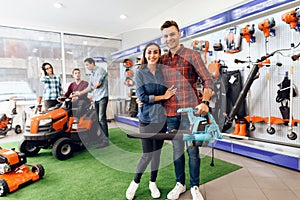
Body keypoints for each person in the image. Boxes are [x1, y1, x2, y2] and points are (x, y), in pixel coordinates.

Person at [160, 20, 214, 200]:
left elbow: (207, 80)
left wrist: (205, 101)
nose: (169, 38)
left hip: (191, 114)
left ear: (179, 33)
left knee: (192, 150)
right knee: (176, 151)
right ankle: (180, 184)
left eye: (172, 34)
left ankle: (195, 186)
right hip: (171, 113)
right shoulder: (163, 59)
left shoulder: (192, 55)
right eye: (166, 36)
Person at [126, 43, 177, 200]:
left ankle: (152, 183)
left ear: (159, 54)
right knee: (147, 154)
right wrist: (162, 97)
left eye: (155, 52)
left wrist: (157, 99)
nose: (152, 55)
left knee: (157, 154)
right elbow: (141, 98)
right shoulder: (140, 73)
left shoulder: (163, 73)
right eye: (149, 52)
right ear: (145, 54)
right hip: (146, 120)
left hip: (161, 120)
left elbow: (166, 92)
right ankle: (134, 183)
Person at [74, 58, 109, 148]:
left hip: (102, 97)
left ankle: (105, 141)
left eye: (87, 65)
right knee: (97, 119)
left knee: (101, 118)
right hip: (96, 98)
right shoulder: (92, 74)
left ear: (92, 63)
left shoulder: (101, 70)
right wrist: (79, 93)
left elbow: (98, 84)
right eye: (85, 65)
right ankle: (100, 138)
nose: (86, 67)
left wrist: (92, 88)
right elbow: (90, 87)